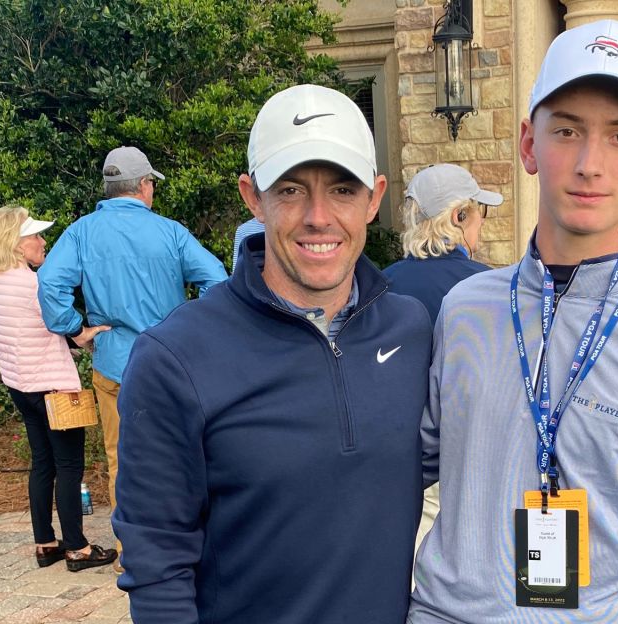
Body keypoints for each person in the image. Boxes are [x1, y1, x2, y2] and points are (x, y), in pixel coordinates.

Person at [409, 21, 618, 623]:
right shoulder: (465, 309)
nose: (590, 163)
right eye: (567, 131)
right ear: (529, 144)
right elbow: (403, 466)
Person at [112, 84, 433, 623]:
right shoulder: (175, 358)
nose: (317, 216)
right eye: (289, 190)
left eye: (342, 190)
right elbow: (157, 562)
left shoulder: (410, 328)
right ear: (252, 196)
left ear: (375, 198)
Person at [37, 146, 227, 571]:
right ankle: (187, 544)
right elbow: (218, 282)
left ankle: (132, 553)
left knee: (122, 457)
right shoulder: (171, 232)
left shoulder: (82, 232)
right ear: (144, 186)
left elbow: (49, 283)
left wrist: (76, 328)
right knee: (184, 453)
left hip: (116, 363)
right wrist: (194, 328)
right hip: (175, 365)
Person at [0, 206, 117, 572]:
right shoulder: (33, 284)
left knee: (43, 464)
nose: (42, 242)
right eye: (35, 236)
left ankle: (45, 543)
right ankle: (77, 549)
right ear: (16, 244)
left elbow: (31, 329)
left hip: (20, 385)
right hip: (54, 386)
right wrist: (85, 334)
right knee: (70, 466)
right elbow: (61, 321)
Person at [383, 163, 502, 553]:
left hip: (396, 466)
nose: (480, 226)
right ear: (459, 216)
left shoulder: (379, 286)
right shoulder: (490, 289)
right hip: (469, 466)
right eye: (479, 213)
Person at [384, 163, 501, 324]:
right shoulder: (487, 285)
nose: (481, 221)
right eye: (479, 210)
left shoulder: (384, 283)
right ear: (459, 216)